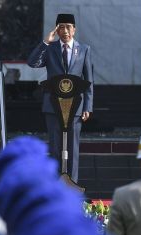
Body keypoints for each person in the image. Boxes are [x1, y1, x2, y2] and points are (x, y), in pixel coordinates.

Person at [27, 13, 93, 184]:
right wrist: (45, 42)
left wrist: (88, 106)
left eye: (68, 26)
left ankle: (72, 186)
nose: (65, 30)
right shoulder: (50, 48)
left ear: (74, 29)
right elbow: (32, 63)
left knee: (73, 148)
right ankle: (55, 186)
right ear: (56, 29)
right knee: (55, 147)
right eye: (61, 27)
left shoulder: (84, 49)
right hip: (53, 105)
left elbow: (88, 80)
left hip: (75, 106)